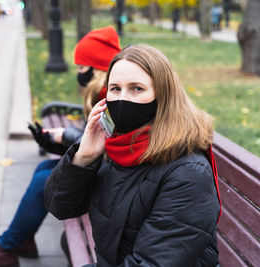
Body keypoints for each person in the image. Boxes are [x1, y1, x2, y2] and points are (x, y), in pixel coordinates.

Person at [45, 44, 222, 267]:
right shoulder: (118, 146)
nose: (122, 99)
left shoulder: (188, 172)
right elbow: (59, 206)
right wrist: (84, 157)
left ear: (163, 95)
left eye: (136, 88)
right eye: (115, 89)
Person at [0, 26, 121, 267]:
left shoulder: (110, 95)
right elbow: (97, 143)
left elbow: (104, 148)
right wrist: (56, 141)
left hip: (114, 179)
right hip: (105, 169)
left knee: (45, 181)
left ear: (97, 67)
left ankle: (7, 248)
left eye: (82, 68)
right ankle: (22, 238)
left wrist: (65, 136)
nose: (79, 74)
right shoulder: (102, 91)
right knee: (45, 168)